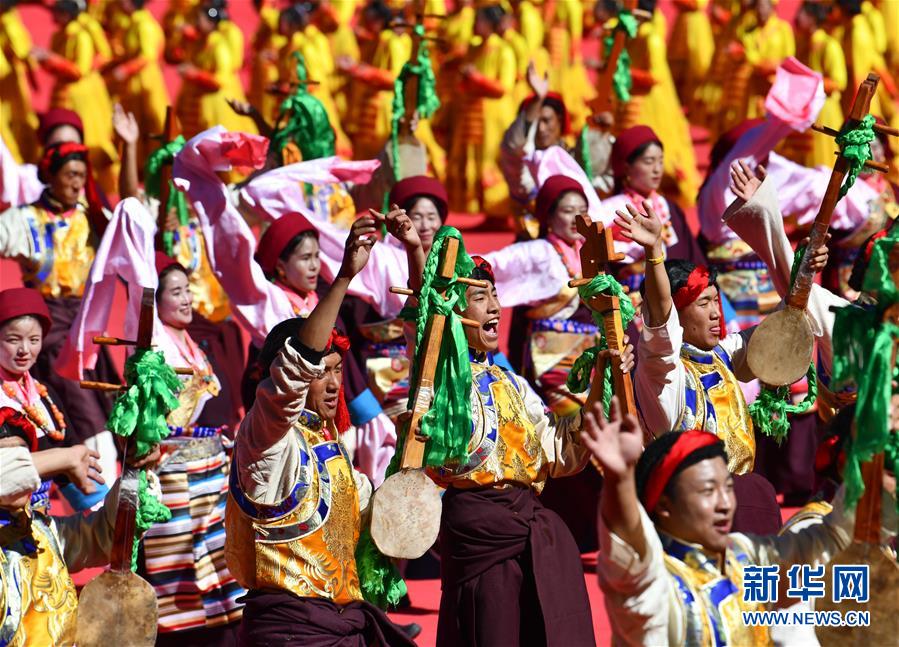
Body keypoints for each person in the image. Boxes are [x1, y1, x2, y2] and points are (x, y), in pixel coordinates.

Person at [393, 222, 621, 646]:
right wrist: (413, 249)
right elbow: (427, 320)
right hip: (479, 532)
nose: (496, 307)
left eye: (496, 295)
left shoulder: (512, 383)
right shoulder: (442, 379)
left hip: (528, 524)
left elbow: (561, 452)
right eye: (480, 298)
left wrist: (600, 384)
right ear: (456, 310)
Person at [225, 214, 415, 646]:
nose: (333, 383)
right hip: (291, 632)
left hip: (341, 624)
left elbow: (375, 521)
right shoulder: (266, 439)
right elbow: (294, 371)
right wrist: (346, 275)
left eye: (338, 371)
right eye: (321, 372)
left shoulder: (331, 445)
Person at [581, 397, 894, 646]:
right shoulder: (659, 586)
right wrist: (620, 482)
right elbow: (631, 558)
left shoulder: (744, 557)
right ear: (664, 504)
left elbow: (825, 544)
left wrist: (870, 456)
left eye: (727, 489)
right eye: (707, 491)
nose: (724, 504)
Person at [616, 198, 827, 531]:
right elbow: (659, 323)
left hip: (747, 502)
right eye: (703, 303)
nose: (717, 313)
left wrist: (805, 270)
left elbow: (783, 324)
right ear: (677, 315)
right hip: (696, 512)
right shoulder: (663, 373)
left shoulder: (722, 356)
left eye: (716, 301)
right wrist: (655, 253)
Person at [0, 141, 119, 480]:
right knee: (82, 410)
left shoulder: (90, 215)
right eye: (69, 175)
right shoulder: (25, 218)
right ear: (50, 176)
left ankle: (105, 496)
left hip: (90, 324)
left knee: (107, 407)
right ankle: (96, 488)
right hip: (52, 328)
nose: (76, 183)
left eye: (82, 175)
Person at [602, 125, 706, 308]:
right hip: (634, 306)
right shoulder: (610, 210)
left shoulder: (668, 207)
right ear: (627, 166)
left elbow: (692, 258)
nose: (657, 169)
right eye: (649, 161)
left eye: (660, 161)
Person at [33, 0, 118, 194]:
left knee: (90, 139)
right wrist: (46, 60)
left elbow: (80, 69)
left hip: (82, 97)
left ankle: (100, 188)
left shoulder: (81, 35)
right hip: (65, 93)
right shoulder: (61, 34)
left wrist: (50, 59)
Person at [444, 2, 516, 215]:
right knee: (472, 158)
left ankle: (498, 210)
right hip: (472, 113)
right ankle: (480, 207)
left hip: (493, 116)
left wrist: (476, 78)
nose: (475, 24)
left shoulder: (503, 51)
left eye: (480, 20)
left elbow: (504, 87)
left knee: (490, 160)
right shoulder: (474, 47)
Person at [175, 2, 257, 138]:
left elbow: (223, 76)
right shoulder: (201, 41)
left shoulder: (220, 45)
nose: (196, 23)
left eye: (200, 19)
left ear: (211, 23)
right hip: (198, 102)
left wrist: (195, 74)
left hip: (215, 104)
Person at [106, 0, 169, 165]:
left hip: (146, 79)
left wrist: (124, 70)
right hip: (134, 80)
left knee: (153, 119)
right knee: (135, 120)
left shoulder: (144, 25)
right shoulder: (133, 22)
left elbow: (147, 56)